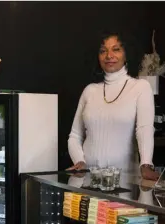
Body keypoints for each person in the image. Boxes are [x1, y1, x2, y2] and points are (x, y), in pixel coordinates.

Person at [66, 31, 159, 202]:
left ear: (126, 54)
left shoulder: (140, 87)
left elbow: (144, 129)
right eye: (103, 51)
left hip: (124, 183)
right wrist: (79, 161)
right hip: (88, 182)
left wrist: (146, 163)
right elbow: (75, 135)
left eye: (116, 49)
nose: (109, 56)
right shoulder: (89, 91)